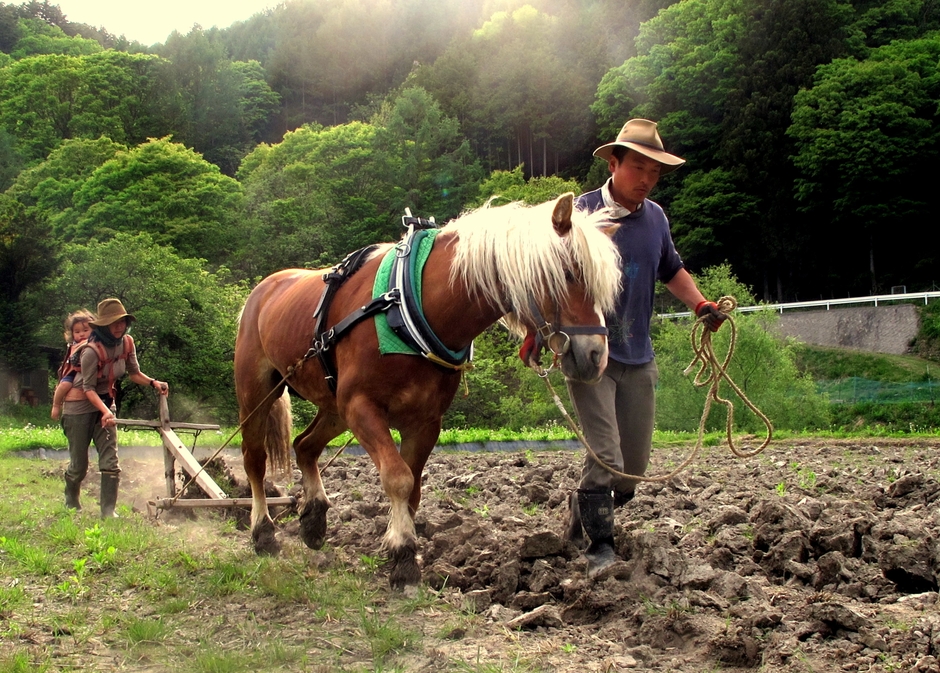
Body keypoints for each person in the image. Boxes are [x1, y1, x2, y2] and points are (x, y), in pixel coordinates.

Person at [566, 118, 726, 577]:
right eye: (639, 168)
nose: (646, 180)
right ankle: (600, 549)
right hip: (590, 355)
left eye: (655, 173)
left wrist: (700, 306)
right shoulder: (580, 214)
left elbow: (671, 268)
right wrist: (539, 333)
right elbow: (551, 280)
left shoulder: (656, 217)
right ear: (613, 163)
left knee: (631, 472)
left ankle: (580, 515)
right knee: (606, 458)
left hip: (639, 354)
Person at [61, 298, 168, 516]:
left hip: (105, 403)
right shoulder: (91, 351)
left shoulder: (127, 343)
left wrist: (153, 382)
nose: (119, 326)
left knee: (110, 461)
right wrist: (105, 411)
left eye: (123, 321)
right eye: (114, 322)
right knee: (79, 464)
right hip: (79, 407)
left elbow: (134, 373)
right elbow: (88, 388)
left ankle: (108, 512)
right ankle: (71, 501)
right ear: (104, 325)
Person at [51, 309, 95, 421]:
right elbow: (74, 361)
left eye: (86, 330)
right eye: (77, 332)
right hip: (74, 371)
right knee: (64, 384)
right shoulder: (74, 345)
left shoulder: (97, 342)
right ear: (72, 334)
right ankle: (56, 405)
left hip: (92, 372)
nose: (82, 334)